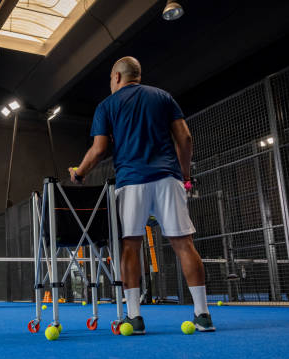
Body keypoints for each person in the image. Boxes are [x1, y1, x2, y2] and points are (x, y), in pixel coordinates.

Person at [69, 56, 215, 334]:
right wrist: (184, 175)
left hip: (132, 182)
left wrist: (80, 172)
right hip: (168, 179)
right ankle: (203, 314)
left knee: (130, 246)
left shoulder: (106, 105)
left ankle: (134, 317)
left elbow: (99, 149)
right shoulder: (163, 97)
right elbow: (185, 138)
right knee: (184, 243)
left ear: (116, 77)